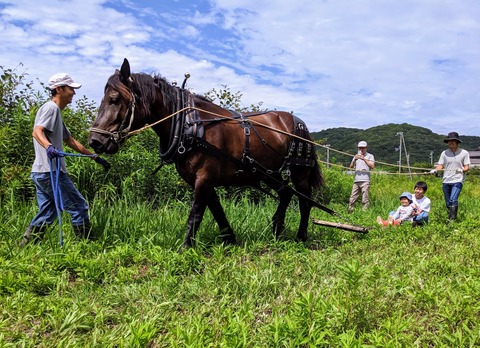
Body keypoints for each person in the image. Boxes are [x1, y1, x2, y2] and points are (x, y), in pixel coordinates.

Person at [20, 73, 111, 247]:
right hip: (50, 171)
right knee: (78, 206)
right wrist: (49, 147)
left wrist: (94, 156)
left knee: (48, 211)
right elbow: (37, 131)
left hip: (41, 172)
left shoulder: (56, 113)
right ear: (59, 89)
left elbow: (70, 141)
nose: (73, 93)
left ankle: (27, 246)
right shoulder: (50, 109)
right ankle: (86, 246)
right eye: (71, 89)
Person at [432, 132, 470, 221]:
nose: (451, 143)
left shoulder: (464, 153)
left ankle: (452, 220)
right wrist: (435, 170)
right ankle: (450, 218)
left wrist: (462, 170)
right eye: (449, 141)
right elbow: (440, 165)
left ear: (457, 142)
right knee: (448, 202)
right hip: (446, 180)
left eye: (453, 141)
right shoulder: (444, 153)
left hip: (458, 180)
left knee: (453, 199)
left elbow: (467, 167)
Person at [348, 141, 375, 212]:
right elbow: (350, 167)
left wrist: (364, 159)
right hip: (356, 180)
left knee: (364, 197)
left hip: (365, 180)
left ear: (366, 148)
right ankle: (350, 211)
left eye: (363, 148)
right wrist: (355, 160)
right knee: (353, 197)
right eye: (360, 148)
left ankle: (364, 212)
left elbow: (372, 166)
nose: (361, 149)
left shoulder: (370, 156)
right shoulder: (356, 156)